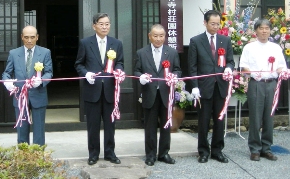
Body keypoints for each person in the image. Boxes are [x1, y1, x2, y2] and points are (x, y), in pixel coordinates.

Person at [75, 13, 124, 166]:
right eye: (101, 24)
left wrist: (119, 71)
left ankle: (110, 153)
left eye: (107, 24)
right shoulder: (85, 43)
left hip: (110, 90)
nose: (105, 27)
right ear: (94, 25)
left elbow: (120, 62)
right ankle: (93, 154)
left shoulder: (116, 43)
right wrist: (86, 73)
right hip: (92, 90)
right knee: (93, 124)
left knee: (110, 124)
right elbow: (79, 64)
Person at [188, 9, 234, 163]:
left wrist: (228, 68)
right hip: (203, 87)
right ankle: (203, 151)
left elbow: (230, 60)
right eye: (212, 24)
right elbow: (192, 66)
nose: (215, 26)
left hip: (221, 86)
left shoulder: (225, 40)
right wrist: (194, 86)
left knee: (219, 120)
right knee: (204, 121)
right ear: (205, 23)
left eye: (217, 24)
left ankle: (217, 150)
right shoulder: (196, 41)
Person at [134, 24, 182, 166]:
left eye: (161, 36)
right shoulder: (141, 53)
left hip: (166, 94)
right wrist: (141, 77)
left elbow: (178, 70)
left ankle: (164, 153)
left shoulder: (172, 52)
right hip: (150, 94)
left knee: (166, 126)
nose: (158, 39)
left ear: (165, 37)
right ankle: (150, 155)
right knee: (150, 126)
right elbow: (136, 71)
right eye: (155, 36)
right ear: (149, 36)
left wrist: (174, 76)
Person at [240, 18, 287, 162]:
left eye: (267, 28)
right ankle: (254, 149)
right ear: (255, 31)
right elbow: (244, 67)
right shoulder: (249, 47)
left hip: (271, 84)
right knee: (255, 117)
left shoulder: (276, 47)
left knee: (269, 116)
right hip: (256, 84)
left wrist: (284, 71)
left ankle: (266, 148)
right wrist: (253, 73)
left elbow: (281, 66)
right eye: (261, 28)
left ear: (270, 30)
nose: (264, 31)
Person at [2, 25, 52, 146]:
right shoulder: (14, 53)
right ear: (22, 37)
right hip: (20, 96)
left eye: (32, 37)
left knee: (39, 129)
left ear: (37, 37)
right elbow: (6, 73)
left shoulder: (45, 52)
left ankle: (38, 155)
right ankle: (23, 156)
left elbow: (49, 72)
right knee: (22, 127)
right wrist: (7, 82)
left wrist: (41, 80)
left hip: (38, 94)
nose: (29, 40)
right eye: (26, 37)